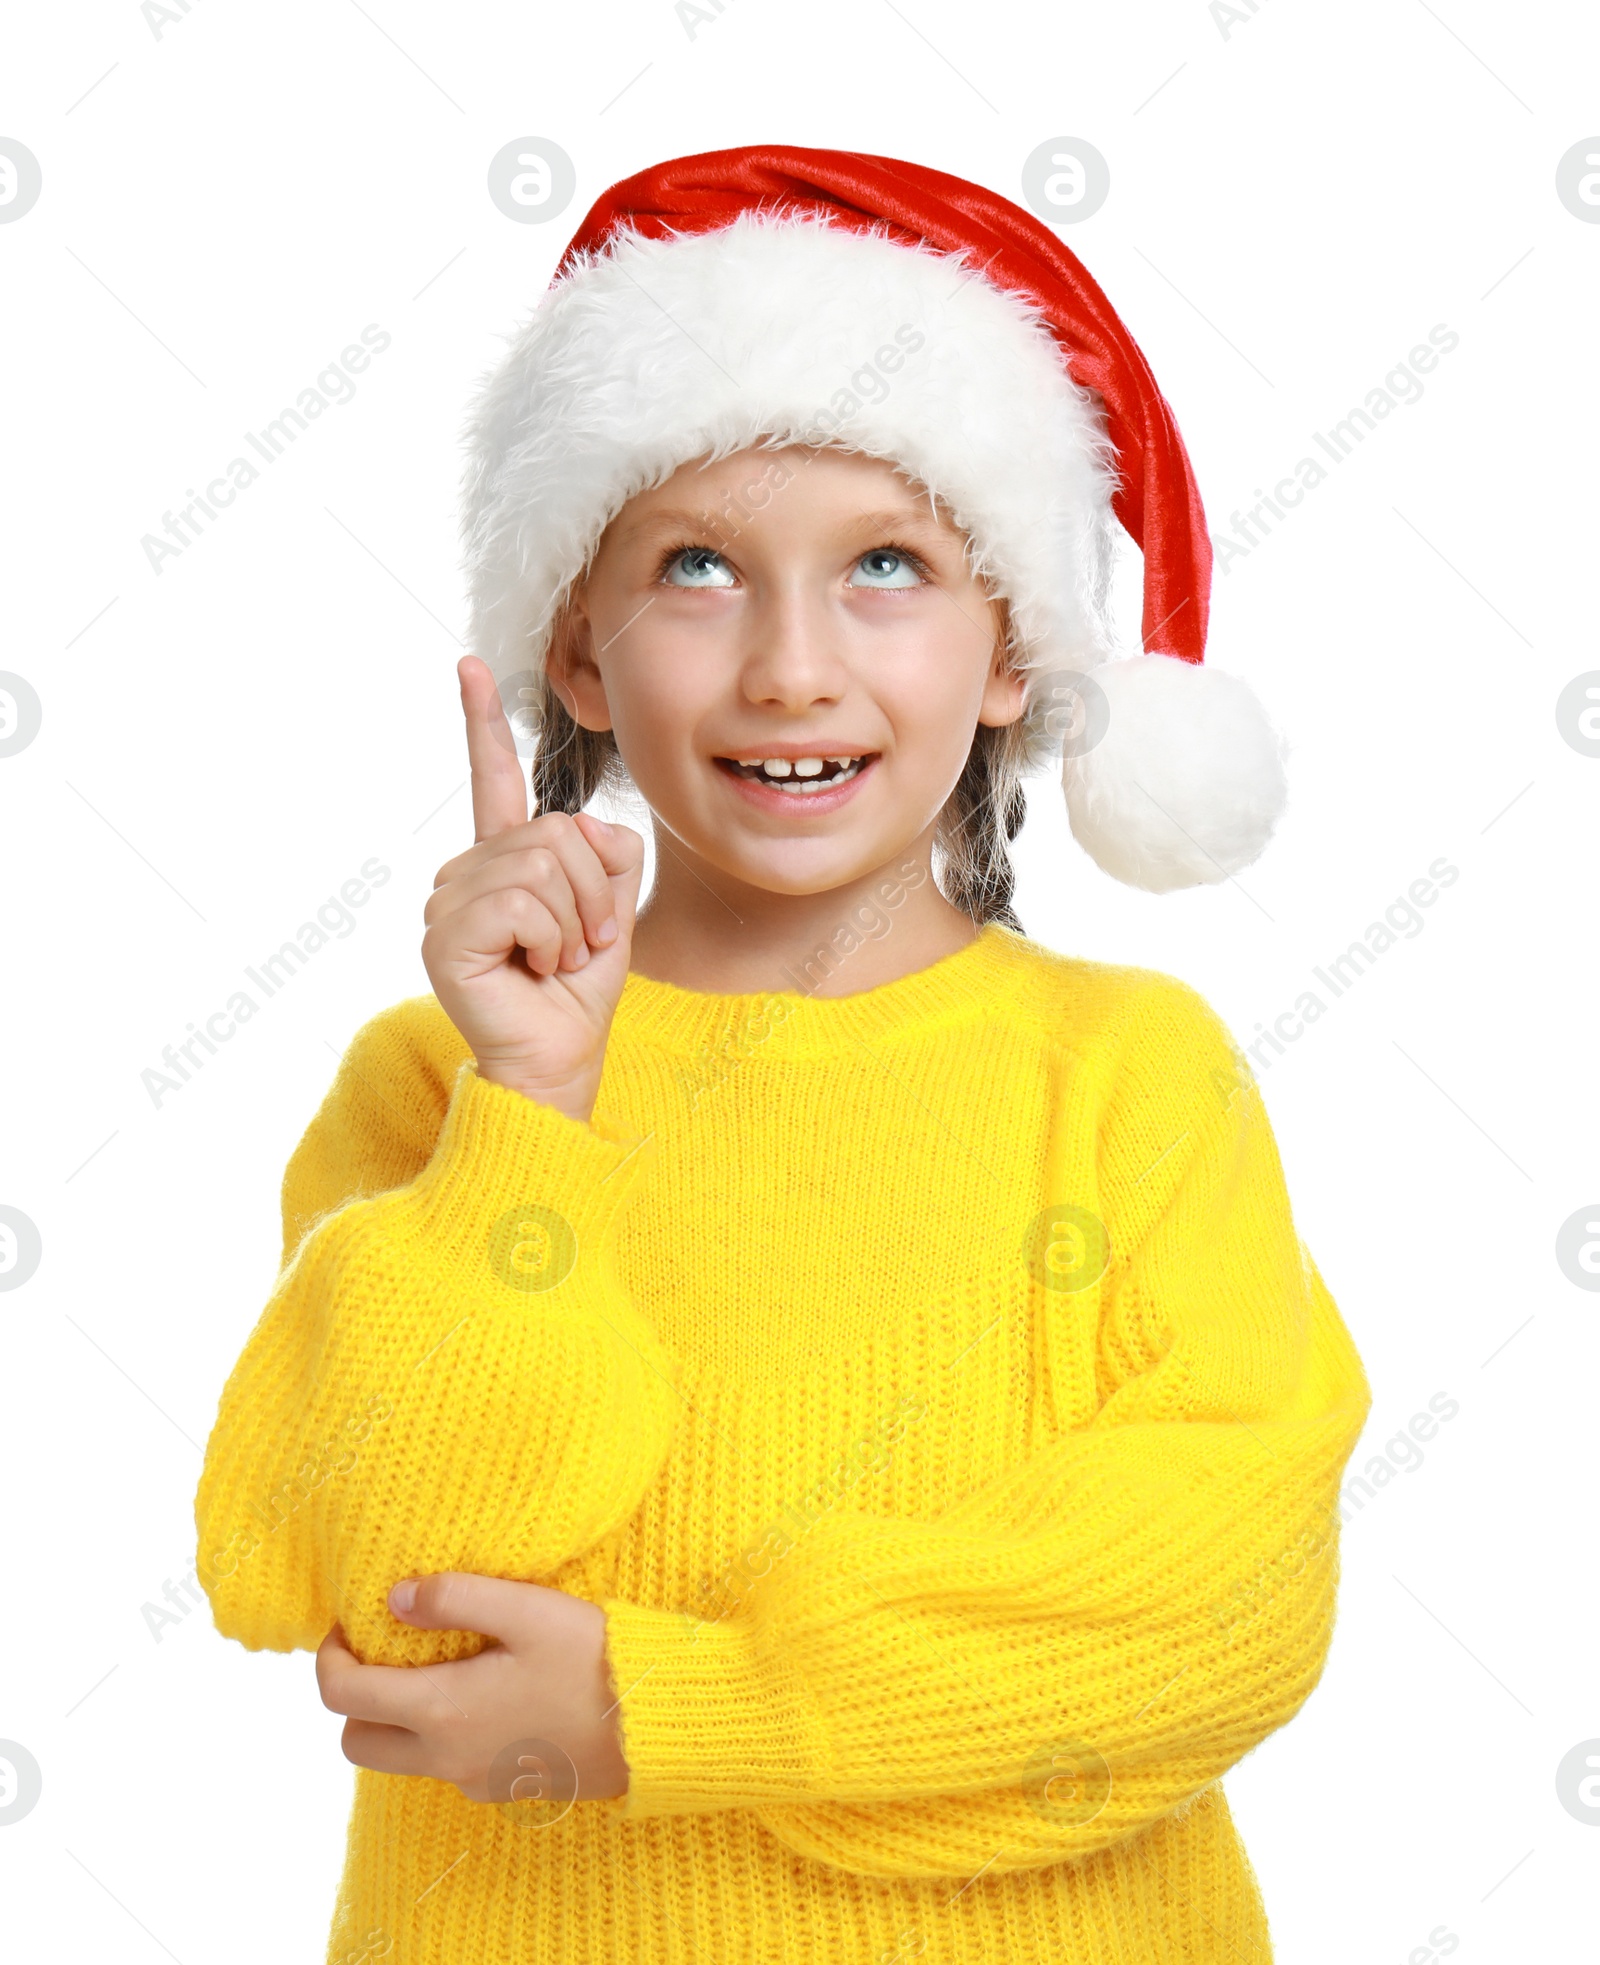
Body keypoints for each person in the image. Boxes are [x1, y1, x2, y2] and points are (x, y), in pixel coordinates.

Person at [194, 145, 1372, 1964]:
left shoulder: (1130, 1079)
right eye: (697, 568)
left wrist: (672, 1706)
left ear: (1011, 653)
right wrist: (538, 1115)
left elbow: (1211, 1607)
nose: (791, 669)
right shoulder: (439, 1088)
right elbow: (380, 1605)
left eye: (886, 564)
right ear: (576, 651)